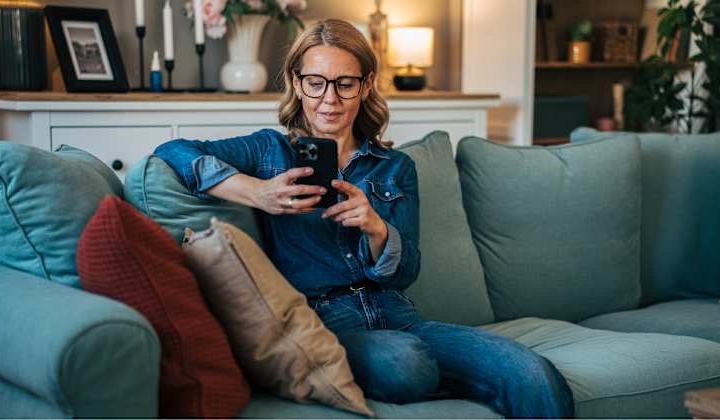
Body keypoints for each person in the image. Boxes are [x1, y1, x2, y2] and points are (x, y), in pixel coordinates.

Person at [154, 19, 574, 419]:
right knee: (405, 363)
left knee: (532, 372)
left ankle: (465, 379)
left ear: (366, 84)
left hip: (399, 314)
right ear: (297, 83)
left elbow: (406, 270)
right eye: (315, 83)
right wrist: (256, 192)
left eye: (345, 84)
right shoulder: (268, 151)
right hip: (327, 324)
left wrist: (376, 227)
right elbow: (173, 151)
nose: (329, 100)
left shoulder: (395, 167)